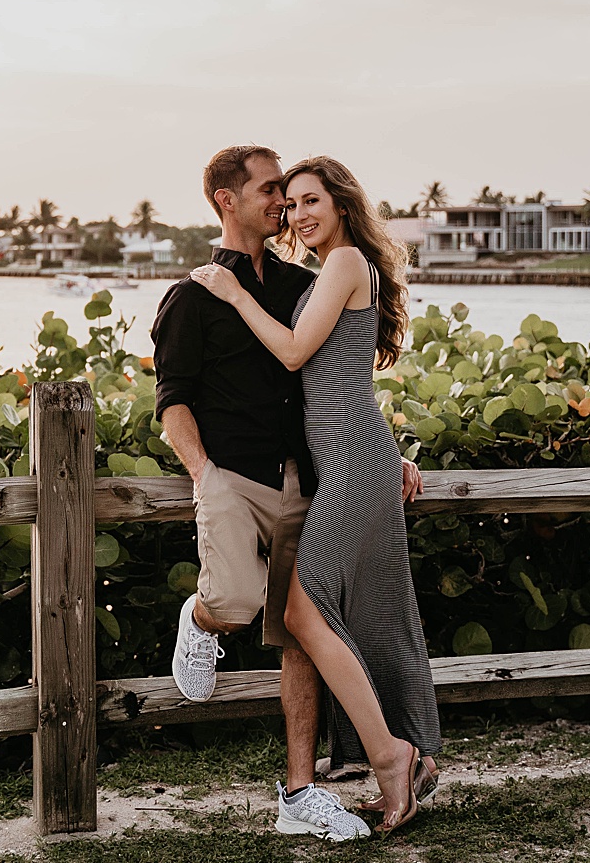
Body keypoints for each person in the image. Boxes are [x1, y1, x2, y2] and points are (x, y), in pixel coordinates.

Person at [189, 155, 442, 833]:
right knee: (350, 613)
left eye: (310, 200)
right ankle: (399, 759)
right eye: (290, 203)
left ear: (340, 201)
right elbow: (344, 377)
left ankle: (392, 757)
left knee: (304, 614)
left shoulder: (346, 262)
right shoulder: (329, 268)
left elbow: (299, 353)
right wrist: (392, 452)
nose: (298, 214)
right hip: (350, 459)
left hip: (353, 463)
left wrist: (233, 292)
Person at [151, 145, 370, 841]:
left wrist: (382, 449)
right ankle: (201, 616)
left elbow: (333, 377)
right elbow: (173, 402)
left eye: (288, 190)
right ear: (228, 200)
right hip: (230, 478)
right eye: (270, 189)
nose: (283, 202)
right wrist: (203, 473)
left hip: (304, 480)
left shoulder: (300, 284)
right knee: (236, 602)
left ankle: (300, 793)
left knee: (303, 632)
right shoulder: (190, 293)